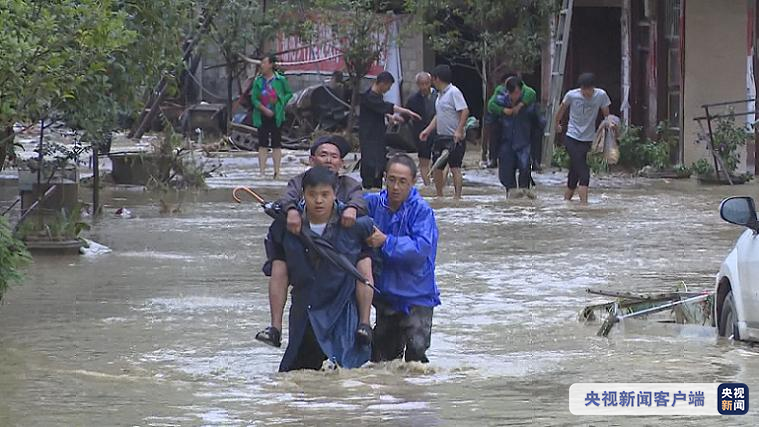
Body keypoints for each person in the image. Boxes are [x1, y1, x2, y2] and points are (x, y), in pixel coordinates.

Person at [256, 166, 376, 372]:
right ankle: (275, 327)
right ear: (303, 195)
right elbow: (275, 265)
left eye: (324, 195)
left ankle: (365, 324)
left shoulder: (357, 224)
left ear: (335, 194)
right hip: (305, 309)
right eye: (312, 195)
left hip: (341, 310)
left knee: (348, 375)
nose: (318, 201)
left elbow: (373, 257)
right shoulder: (284, 226)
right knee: (297, 377)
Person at [364, 154, 440, 363]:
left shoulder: (422, 211)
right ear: (385, 178)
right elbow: (346, 206)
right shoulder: (374, 203)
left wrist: (386, 241)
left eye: (402, 181)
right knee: (383, 360)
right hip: (386, 296)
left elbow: (421, 249)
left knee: (416, 354)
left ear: (413, 182)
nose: (395, 187)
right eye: (392, 180)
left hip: (417, 296)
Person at [277, 134, 366, 236]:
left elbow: (360, 199)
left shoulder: (349, 183)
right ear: (312, 160)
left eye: (334, 156)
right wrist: (291, 210)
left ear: (341, 163)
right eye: (323, 155)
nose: (329, 160)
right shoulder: (299, 181)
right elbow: (286, 198)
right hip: (305, 231)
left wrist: (352, 208)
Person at [554, 73, 611, 204]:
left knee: (574, 173)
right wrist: (557, 124)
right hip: (572, 137)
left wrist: (608, 127)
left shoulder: (601, 95)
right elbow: (561, 110)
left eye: (589, 90)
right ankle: (584, 206)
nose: (586, 93)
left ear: (593, 88)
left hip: (587, 139)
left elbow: (606, 114)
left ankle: (566, 202)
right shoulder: (571, 95)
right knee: (584, 173)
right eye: (583, 89)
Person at [359, 71, 421, 189]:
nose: (388, 89)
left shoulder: (375, 96)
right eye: (388, 86)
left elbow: (379, 109)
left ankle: (378, 188)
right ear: (382, 83)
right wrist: (407, 111)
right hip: (369, 137)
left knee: (380, 162)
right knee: (371, 164)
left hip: (378, 136)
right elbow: (387, 106)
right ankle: (370, 188)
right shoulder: (370, 96)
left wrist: (390, 117)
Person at [420, 65, 469, 199]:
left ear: (437, 79)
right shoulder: (439, 96)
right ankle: (439, 196)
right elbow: (438, 116)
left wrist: (459, 130)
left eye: (433, 79)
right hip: (440, 136)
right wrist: (427, 130)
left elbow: (464, 111)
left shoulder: (454, 92)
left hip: (454, 137)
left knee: (455, 168)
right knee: (437, 167)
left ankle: (457, 197)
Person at [251, 54, 293, 179]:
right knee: (262, 143)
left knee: (276, 143)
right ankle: (262, 172)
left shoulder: (280, 80)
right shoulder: (258, 81)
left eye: (264, 62)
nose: (262, 65)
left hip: (277, 115)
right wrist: (263, 108)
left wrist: (280, 101)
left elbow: (289, 94)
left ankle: (277, 172)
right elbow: (254, 98)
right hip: (262, 115)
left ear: (270, 65)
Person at [495, 77, 536, 199]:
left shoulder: (528, 101)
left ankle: (525, 191)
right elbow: (491, 115)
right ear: (508, 92)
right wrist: (503, 110)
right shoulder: (500, 101)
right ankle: (511, 194)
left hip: (523, 141)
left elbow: (538, 124)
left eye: (518, 92)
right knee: (506, 170)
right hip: (505, 142)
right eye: (514, 93)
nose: (516, 95)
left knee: (525, 167)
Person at [486, 73, 538, 168]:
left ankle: (535, 160)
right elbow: (491, 105)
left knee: (537, 128)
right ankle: (493, 158)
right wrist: (503, 110)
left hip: (523, 120)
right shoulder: (500, 91)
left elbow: (532, 93)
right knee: (494, 127)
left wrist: (521, 104)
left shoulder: (525, 89)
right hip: (505, 120)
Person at [405, 72, 437, 186]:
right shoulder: (413, 99)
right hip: (421, 135)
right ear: (417, 85)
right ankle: (428, 187)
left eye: (426, 84)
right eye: (421, 84)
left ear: (431, 83)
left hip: (439, 134)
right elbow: (405, 116)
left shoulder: (439, 96)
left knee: (441, 162)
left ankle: (440, 187)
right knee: (424, 162)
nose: (424, 87)